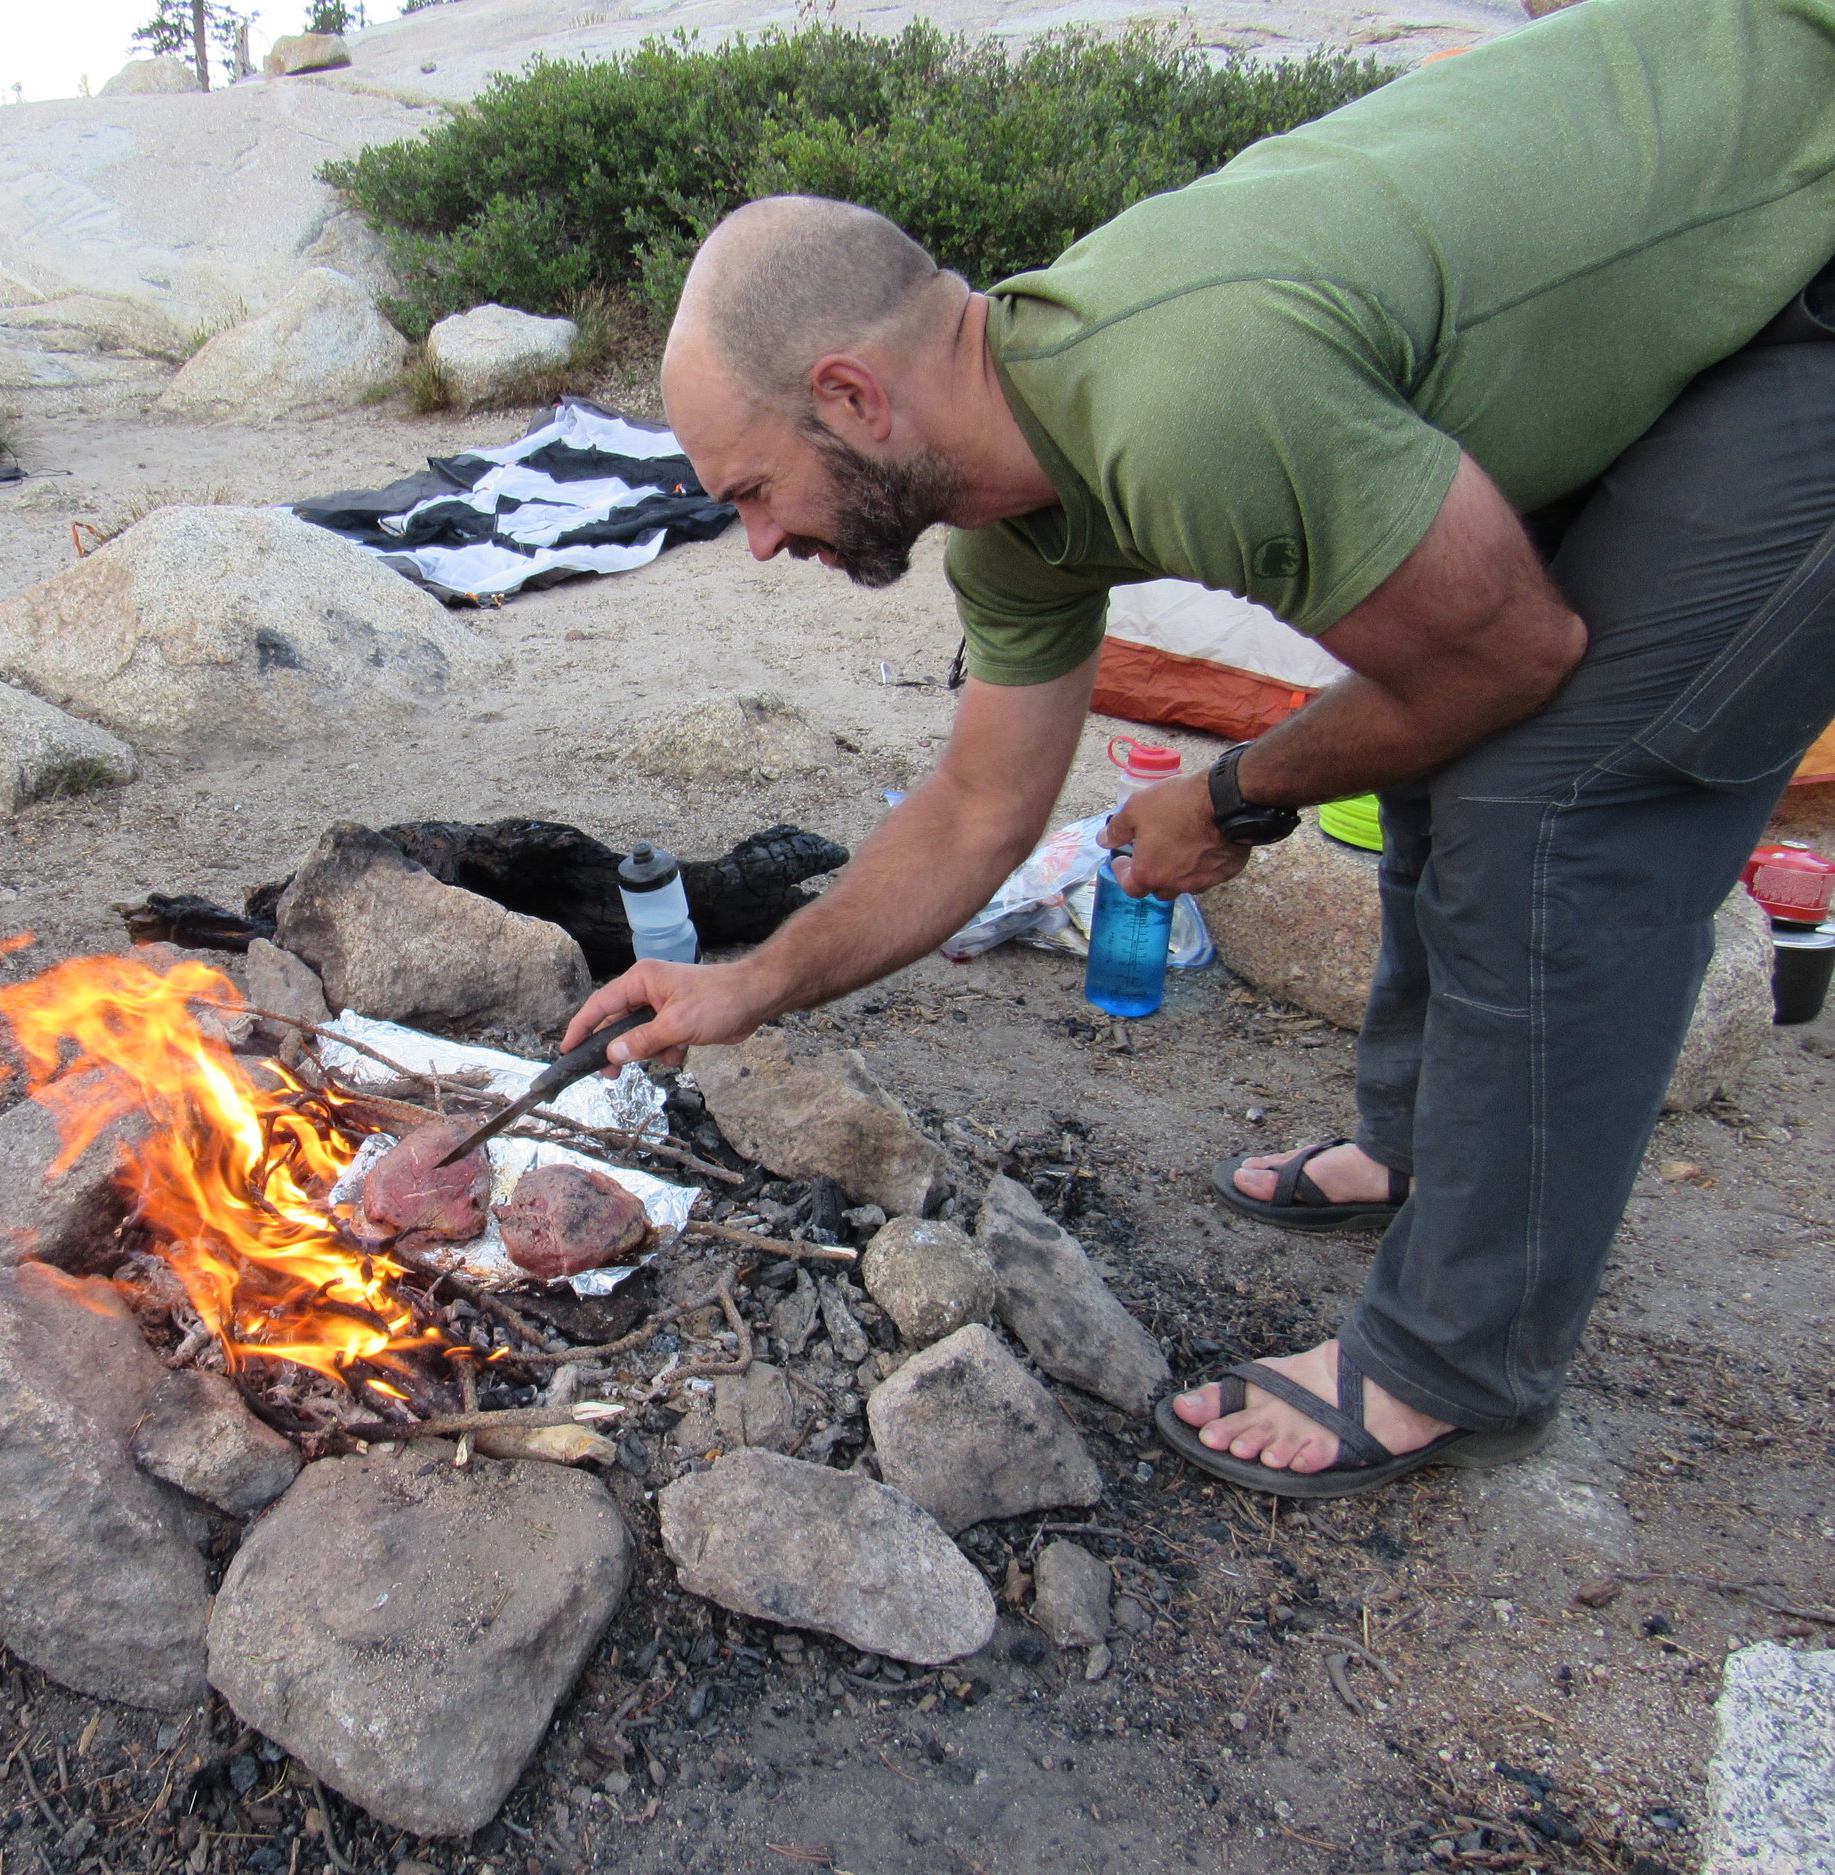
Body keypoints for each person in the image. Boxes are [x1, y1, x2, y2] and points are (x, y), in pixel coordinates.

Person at [561, 0, 1835, 1498]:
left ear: (852, 394)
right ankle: (1427, 1148)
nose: (762, 542)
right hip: (1706, 238)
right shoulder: (1016, 516)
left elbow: (1510, 653)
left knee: (1555, 806)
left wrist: (1237, 792)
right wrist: (751, 982)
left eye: (758, 491)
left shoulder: (1182, 400)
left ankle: (1451, 1359)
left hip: (1802, 255)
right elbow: (978, 810)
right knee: (1433, 733)